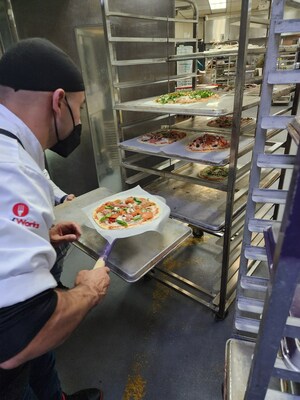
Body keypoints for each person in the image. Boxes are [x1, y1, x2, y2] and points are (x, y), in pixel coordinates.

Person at [0, 38, 111, 400]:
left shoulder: (11, 146)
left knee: (42, 366)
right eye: (78, 108)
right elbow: (22, 334)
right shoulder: (12, 171)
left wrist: (42, 236)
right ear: (58, 100)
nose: (78, 120)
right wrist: (89, 290)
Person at [43, 168, 75, 288]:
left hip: (48, 218)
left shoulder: (28, 153)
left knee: (57, 255)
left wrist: (63, 197)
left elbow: (44, 179)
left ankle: (56, 283)